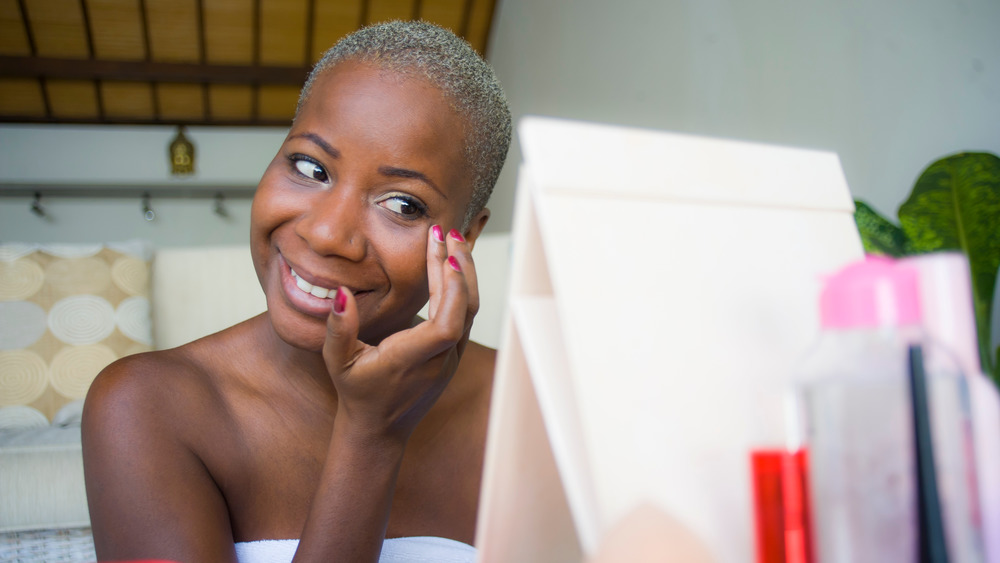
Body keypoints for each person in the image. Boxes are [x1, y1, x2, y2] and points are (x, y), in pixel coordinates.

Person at [82, 20, 511, 563]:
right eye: (310, 167)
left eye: (403, 204)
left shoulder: (523, 407)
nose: (327, 233)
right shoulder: (145, 407)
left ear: (465, 237)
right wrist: (370, 437)